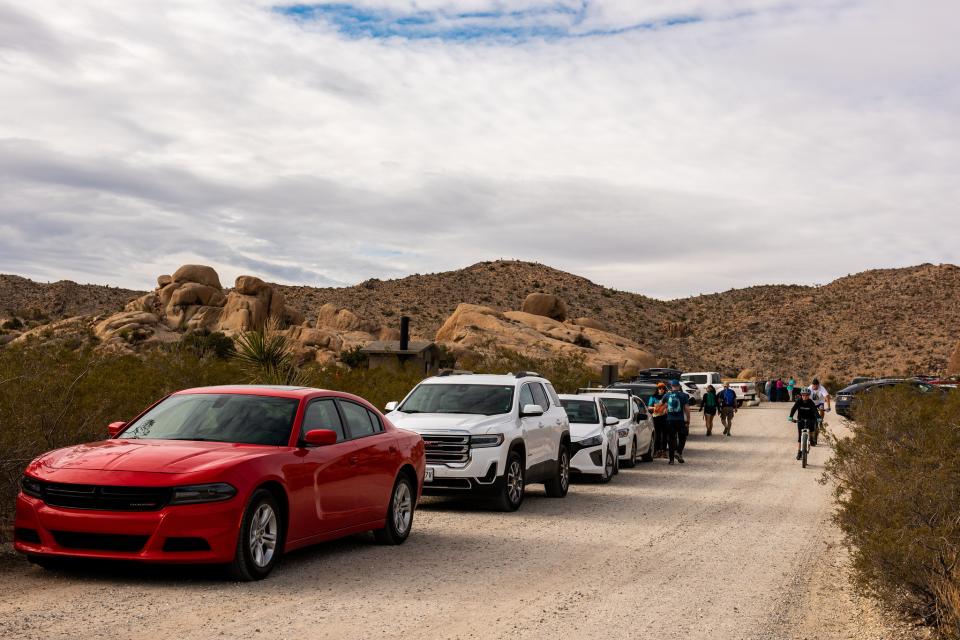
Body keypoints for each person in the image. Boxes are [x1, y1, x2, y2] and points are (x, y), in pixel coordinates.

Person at [664, 380, 691, 464]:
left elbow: (664, 406)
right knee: (683, 437)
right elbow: (687, 409)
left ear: (671, 386)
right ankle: (678, 452)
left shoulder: (667, 395)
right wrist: (688, 420)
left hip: (669, 420)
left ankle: (671, 460)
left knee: (671, 439)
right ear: (679, 386)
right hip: (680, 420)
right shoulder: (683, 395)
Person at [789, 389, 820, 460]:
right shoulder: (799, 401)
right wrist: (790, 417)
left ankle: (811, 439)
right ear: (801, 395)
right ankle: (799, 452)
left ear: (809, 396)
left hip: (810, 418)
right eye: (803, 395)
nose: (805, 397)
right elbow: (793, 409)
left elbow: (815, 411)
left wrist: (818, 417)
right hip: (801, 419)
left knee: (812, 428)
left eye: (806, 395)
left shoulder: (811, 402)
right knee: (800, 436)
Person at [806, 378, 831, 446]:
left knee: (822, 409)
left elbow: (827, 397)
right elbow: (806, 397)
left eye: (816, 386)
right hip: (812, 403)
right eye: (813, 386)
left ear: (818, 385)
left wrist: (828, 406)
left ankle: (820, 421)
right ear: (812, 385)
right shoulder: (809, 388)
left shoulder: (821, 388)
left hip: (820, 403)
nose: (814, 388)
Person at [648, 382, 669, 459]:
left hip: (665, 417)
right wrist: (655, 408)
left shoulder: (667, 397)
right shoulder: (653, 397)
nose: (661, 390)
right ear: (657, 389)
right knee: (657, 435)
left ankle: (663, 451)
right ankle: (657, 451)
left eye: (663, 388)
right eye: (660, 388)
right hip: (656, 417)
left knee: (664, 435)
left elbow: (670, 405)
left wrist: (666, 408)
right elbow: (649, 407)